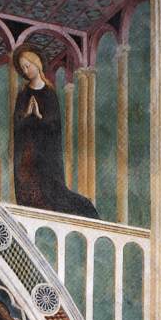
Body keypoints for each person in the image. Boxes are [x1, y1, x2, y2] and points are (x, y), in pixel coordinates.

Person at [12, 48, 99, 219]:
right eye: (22, 68)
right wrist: (27, 115)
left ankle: (86, 210)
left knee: (54, 193)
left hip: (45, 155)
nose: (25, 71)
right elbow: (17, 124)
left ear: (36, 64)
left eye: (27, 66)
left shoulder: (49, 93)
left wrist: (37, 116)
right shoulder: (23, 94)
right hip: (27, 155)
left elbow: (53, 125)